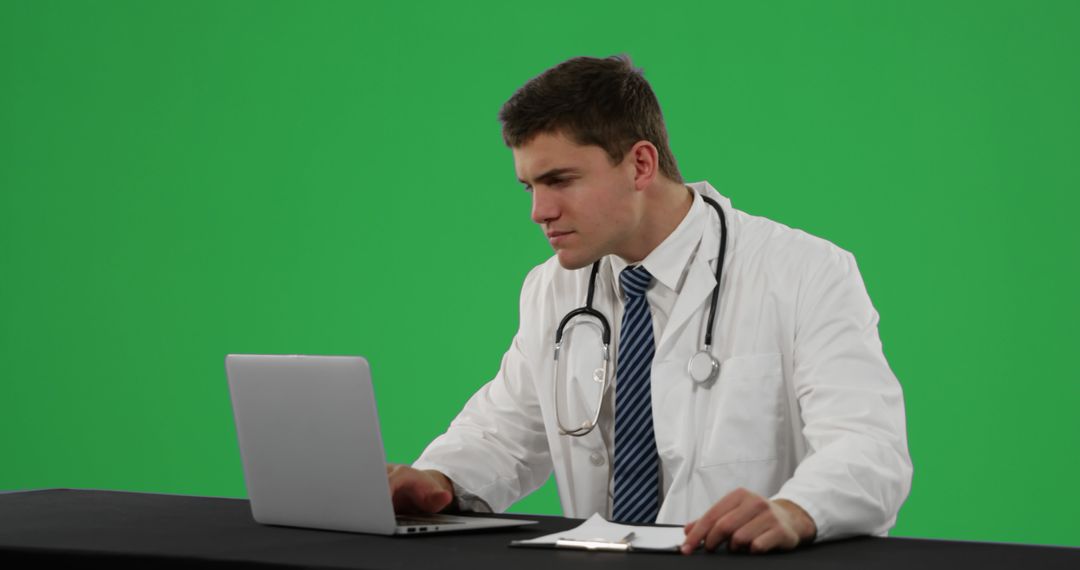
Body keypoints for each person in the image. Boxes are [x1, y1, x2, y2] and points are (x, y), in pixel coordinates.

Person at [386, 54, 912, 554]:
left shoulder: (804, 272)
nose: (539, 212)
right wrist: (438, 480)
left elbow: (870, 450)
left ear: (640, 164)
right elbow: (504, 433)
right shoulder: (554, 289)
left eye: (560, 181)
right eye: (528, 186)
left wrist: (797, 510)